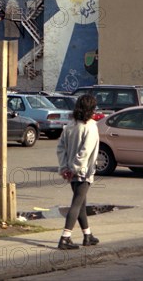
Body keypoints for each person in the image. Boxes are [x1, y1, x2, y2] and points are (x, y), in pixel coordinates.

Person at [56, 94, 100, 250]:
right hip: (83, 171)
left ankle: (87, 235)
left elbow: (60, 148)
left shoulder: (70, 125)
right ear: (90, 109)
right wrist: (75, 169)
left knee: (81, 203)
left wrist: (65, 168)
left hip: (71, 170)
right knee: (76, 203)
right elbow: (85, 151)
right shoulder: (91, 126)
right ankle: (65, 237)